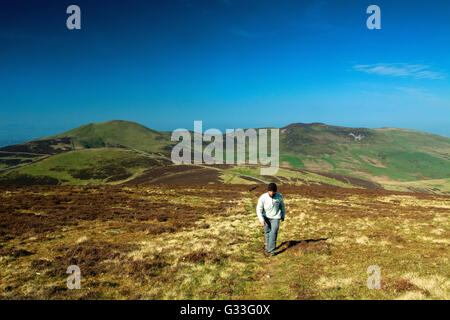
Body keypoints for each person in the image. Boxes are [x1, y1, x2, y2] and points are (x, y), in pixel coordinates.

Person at [256, 183, 285, 257]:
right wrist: (261, 220)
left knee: (274, 232)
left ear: (276, 191)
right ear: (268, 191)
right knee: (267, 232)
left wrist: (283, 215)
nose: (272, 193)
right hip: (266, 217)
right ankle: (267, 247)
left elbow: (282, 206)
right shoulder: (263, 197)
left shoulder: (279, 196)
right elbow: (259, 209)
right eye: (270, 191)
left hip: (276, 217)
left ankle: (271, 251)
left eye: (273, 191)